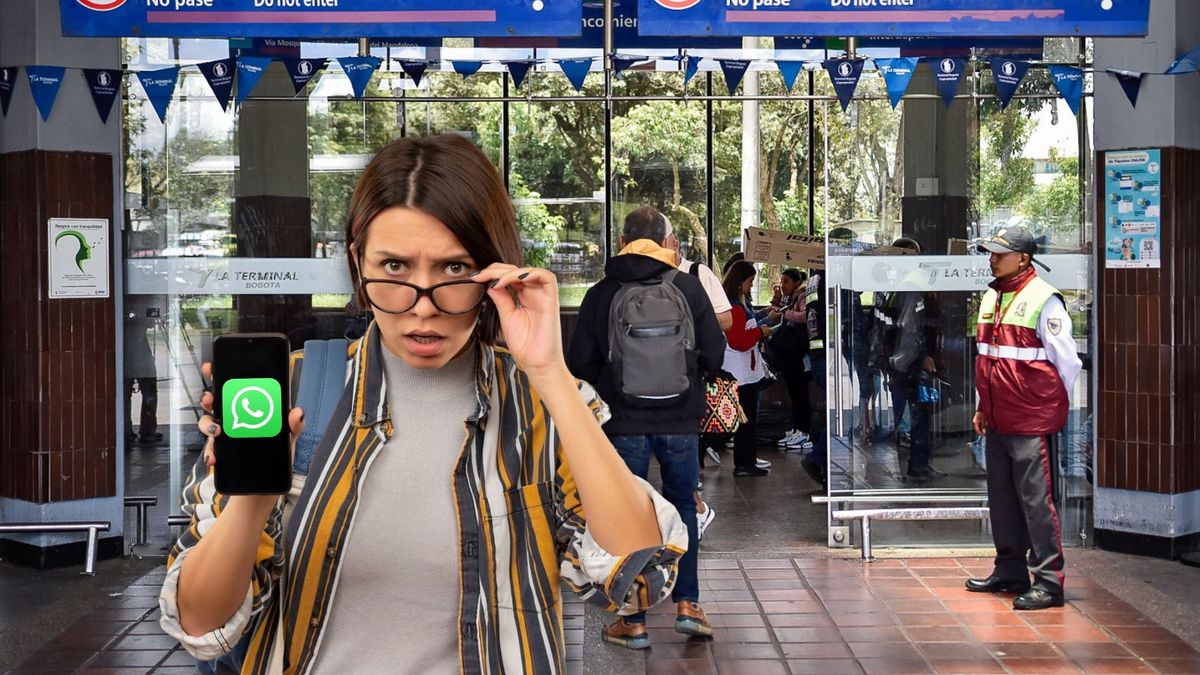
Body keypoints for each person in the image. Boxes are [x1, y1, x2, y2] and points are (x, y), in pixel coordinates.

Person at [159, 135, 687, 673]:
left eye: (455, 270)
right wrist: (253, 496)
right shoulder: (292, 390)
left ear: (494, 272)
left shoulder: (543, 406)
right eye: (393, 268)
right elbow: (202, 626)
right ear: (356, 262)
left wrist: (549, 371)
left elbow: (638, 579)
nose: (423, 307)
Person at [567, 205, 725, 649]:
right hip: (681, 422)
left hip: (623, 424)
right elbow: (714, 353)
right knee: (683, 507)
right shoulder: (688, 287)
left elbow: (580, 362)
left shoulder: (602, 292)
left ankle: (632, 620)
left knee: (629, 513)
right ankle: (689, 605)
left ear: (622, 242)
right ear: (666, 242)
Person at [966, 226, 1082, 611]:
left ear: (1024, 259)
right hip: (998, 418)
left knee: (1036, 501)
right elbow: (987, 358)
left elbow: (1067, 364)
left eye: (1000, 252)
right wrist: (984, 406)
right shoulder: (992, 297)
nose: (992, 257)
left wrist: (1044, 407)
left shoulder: (1044, 299)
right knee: (1002, 499)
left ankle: (1049, 582)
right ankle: (1010, 570)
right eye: (991, 251)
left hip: (1030, 420)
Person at [662, 215, 731, 539]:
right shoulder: (644, 278)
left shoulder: (697, 274)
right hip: (649, 381)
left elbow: (726, 320)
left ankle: (695, 513)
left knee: (679, 458)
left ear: (675, 243)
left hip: (687, 380)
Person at [877, 238, 941, 480]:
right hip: (910, 364)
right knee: (919, 415)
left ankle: (919, 463)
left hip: (897, 362)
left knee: (908, 415)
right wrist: (923, 357)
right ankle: (919, 466)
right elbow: (911, 329)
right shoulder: (909, 287)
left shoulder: (891, 287)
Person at [720, 260, 775, 478]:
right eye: (750, 281)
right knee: (745, 422)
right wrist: (761, 332)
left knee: (748, 421)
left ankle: (748, 460)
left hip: (746, 370)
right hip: (740, 372)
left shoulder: (739, 304)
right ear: (739, 281)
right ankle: (743, 464)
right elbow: (739, 341)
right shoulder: (734, 307)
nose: (751, 286)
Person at [774, 268, 813, 453]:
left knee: (800, 395)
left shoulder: (802, 296)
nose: (783, 286)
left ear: (797, 282)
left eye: (786, 282)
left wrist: (785, 313)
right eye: (782, 282)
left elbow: (804, 316)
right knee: (794, 394)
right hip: (789, 355)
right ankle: (798, 429)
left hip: (799, 355)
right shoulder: (789, 299)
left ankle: (804, 431)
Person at [123, 294, 161, 443]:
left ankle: (127, 430)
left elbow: (151, 321)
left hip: (126, 350)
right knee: (149, 391)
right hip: (140, 350)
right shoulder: (142, 302)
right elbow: (151, 322)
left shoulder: (125, 302)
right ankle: (147, 430)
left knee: (127, 393)